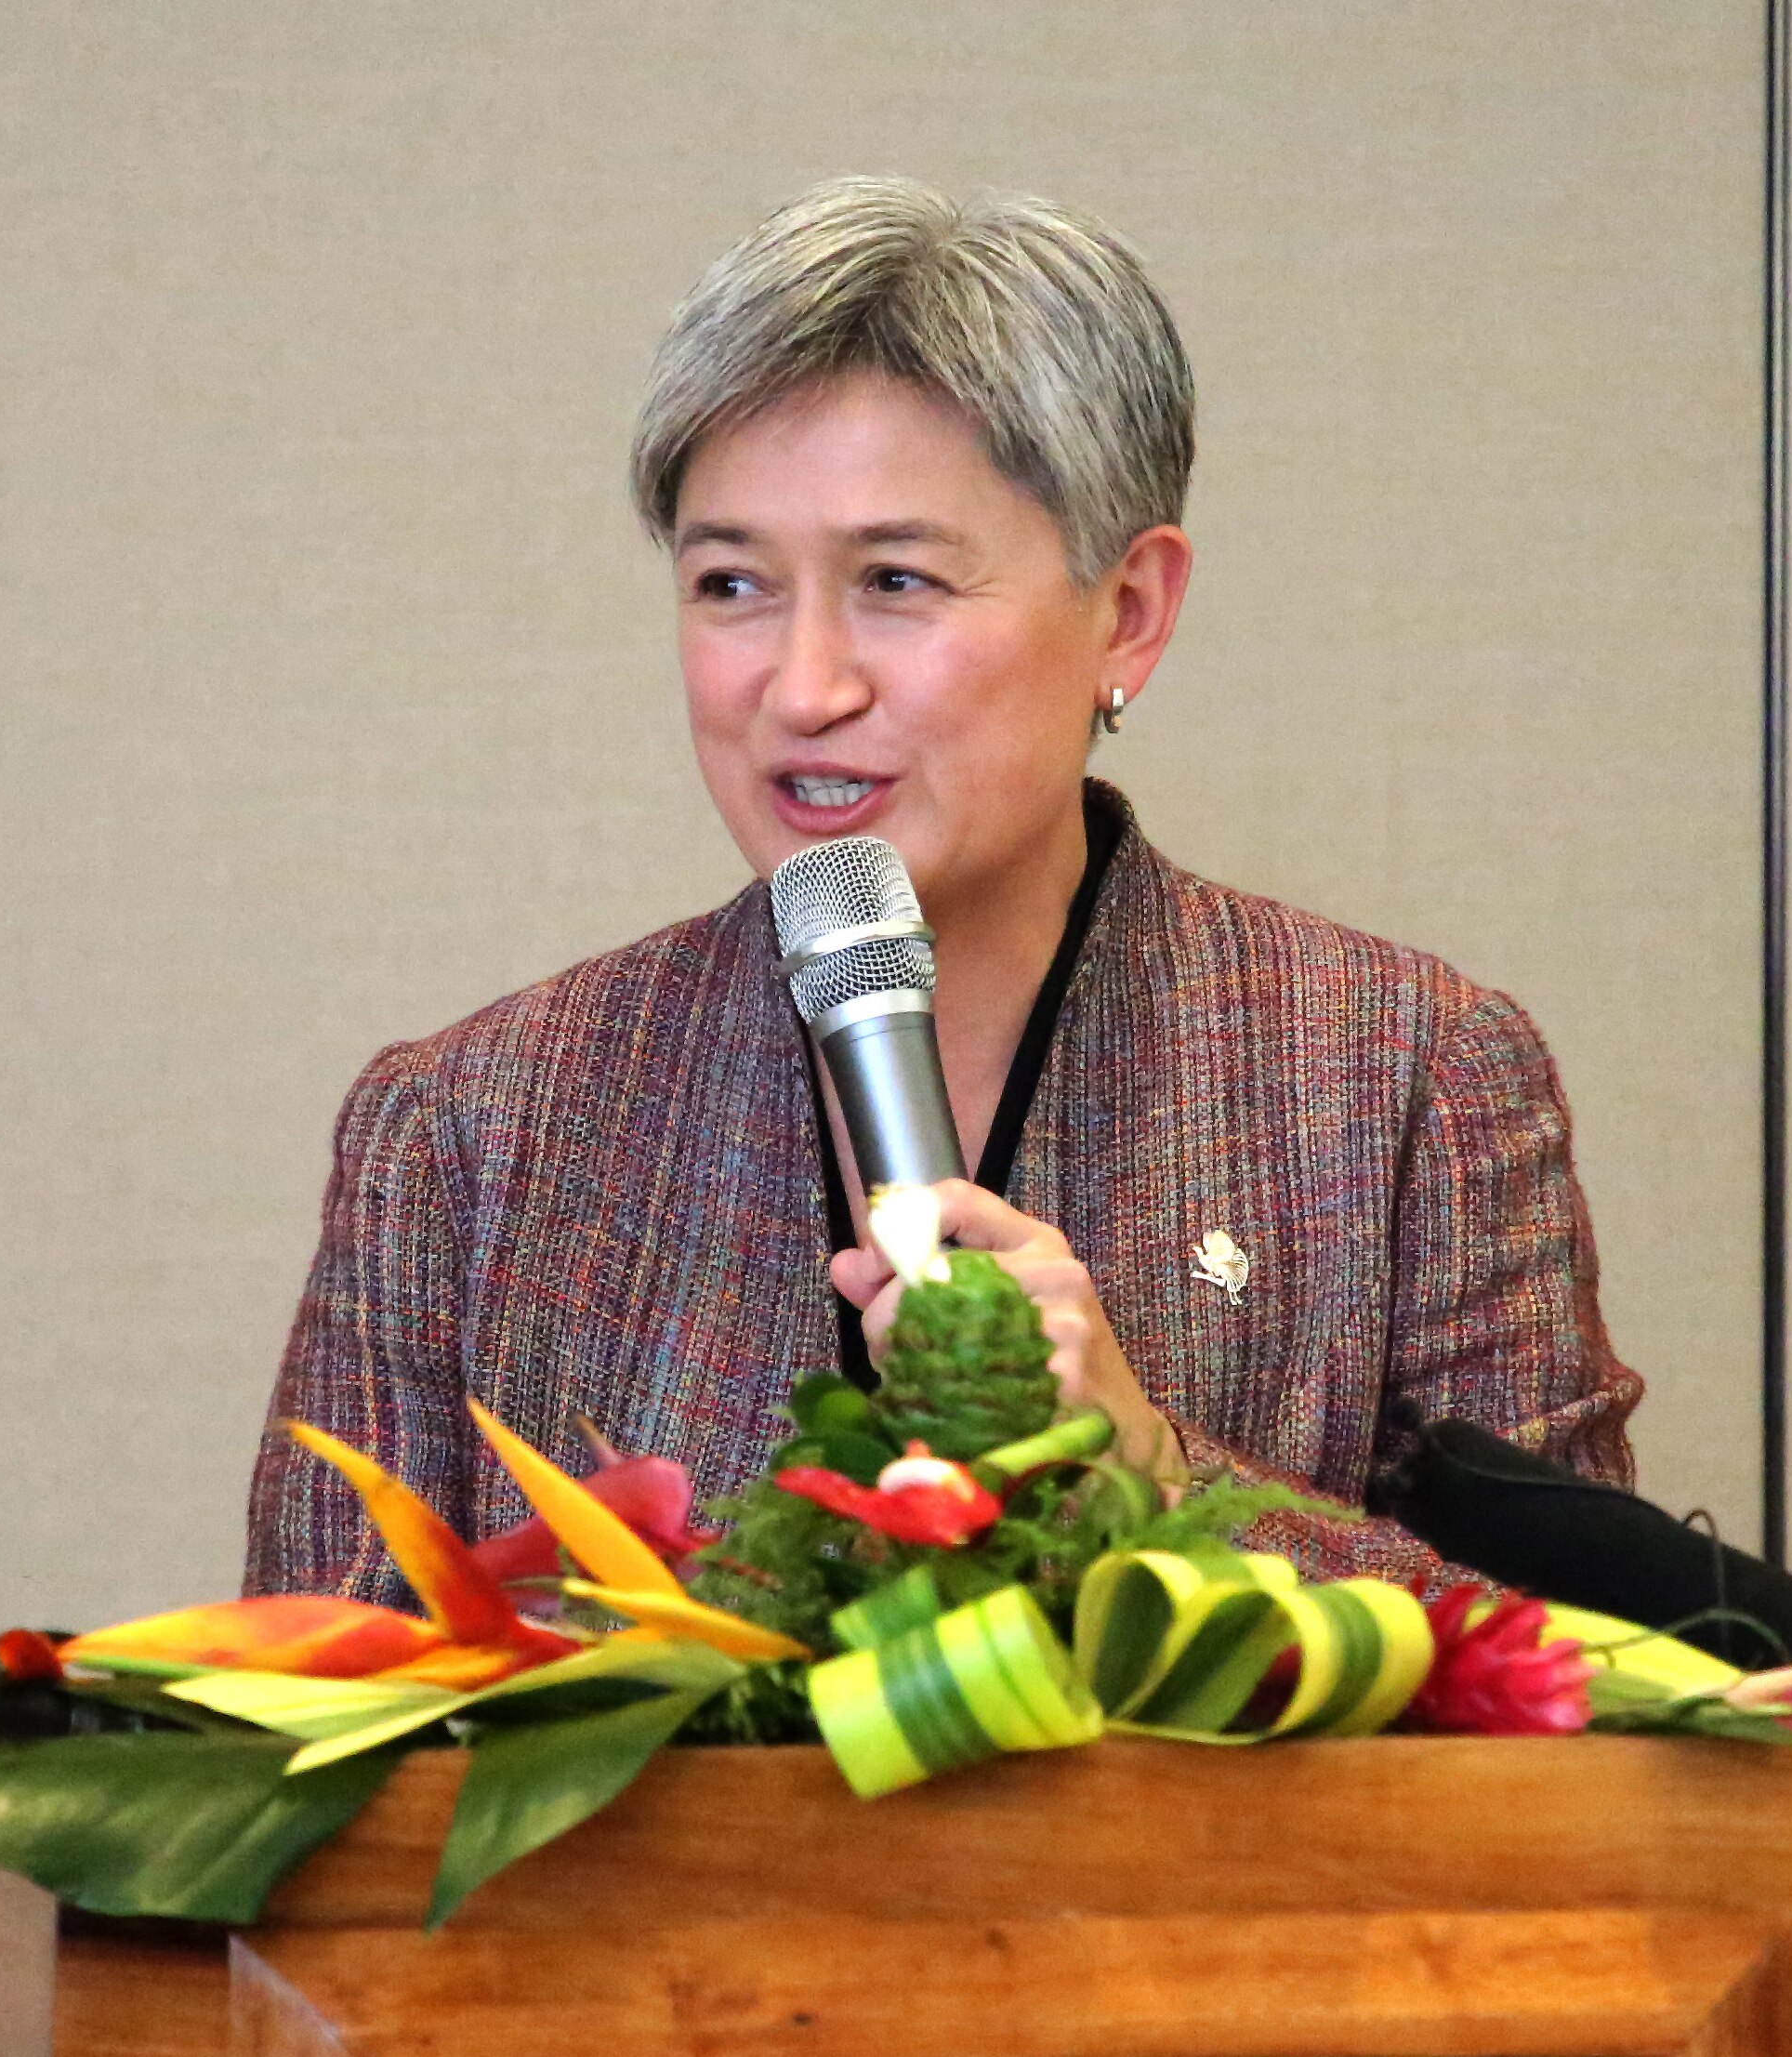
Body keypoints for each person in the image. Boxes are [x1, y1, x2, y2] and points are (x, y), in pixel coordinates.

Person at [244, 176, 1640, 1602]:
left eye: (896, 580)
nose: (801, 686)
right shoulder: (472, 1134)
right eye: (730, 584)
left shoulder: (1399, 1081)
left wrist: (1151, 1465)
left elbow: (1590, 1689)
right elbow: (300, 1739)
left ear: (1128, 612)